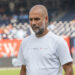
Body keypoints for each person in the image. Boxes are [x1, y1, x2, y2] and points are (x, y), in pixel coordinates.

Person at [17, 4, 73, 75]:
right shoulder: (24, 43)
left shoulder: (58, 42)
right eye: (31, 19)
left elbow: (69, 69)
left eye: (37, 19)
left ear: (46, 19)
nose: (33, 23)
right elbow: (23, 70)